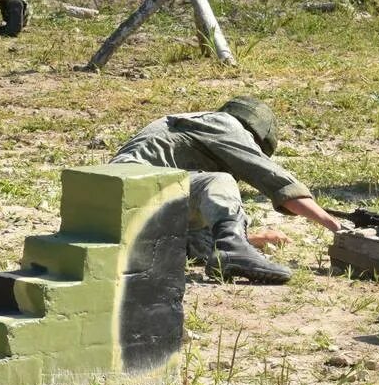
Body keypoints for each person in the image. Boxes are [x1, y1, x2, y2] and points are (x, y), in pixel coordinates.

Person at [111, 97, 343, 285]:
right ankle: (233, 248)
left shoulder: (188, 126)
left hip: (112, 203)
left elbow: (196, 245)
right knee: (219, 182)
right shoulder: (226, 125)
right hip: (136, 189)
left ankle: (234, 244)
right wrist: (337, 227)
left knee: (202, 220)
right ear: (255, 138)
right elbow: (276, 181)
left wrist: (254, 239)